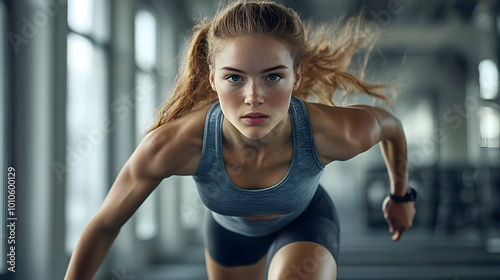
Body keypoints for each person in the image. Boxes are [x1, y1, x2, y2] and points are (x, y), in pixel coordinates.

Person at [64, 1, 416, 279]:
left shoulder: (336, 133)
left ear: (296, 77)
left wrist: (401, 195)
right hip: (228, 235)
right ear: (212, 79)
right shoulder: (174, 145)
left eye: (273, 77)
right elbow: (106, 223)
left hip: (306, 220)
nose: (253, 96)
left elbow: (392, 128)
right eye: (234, 78)